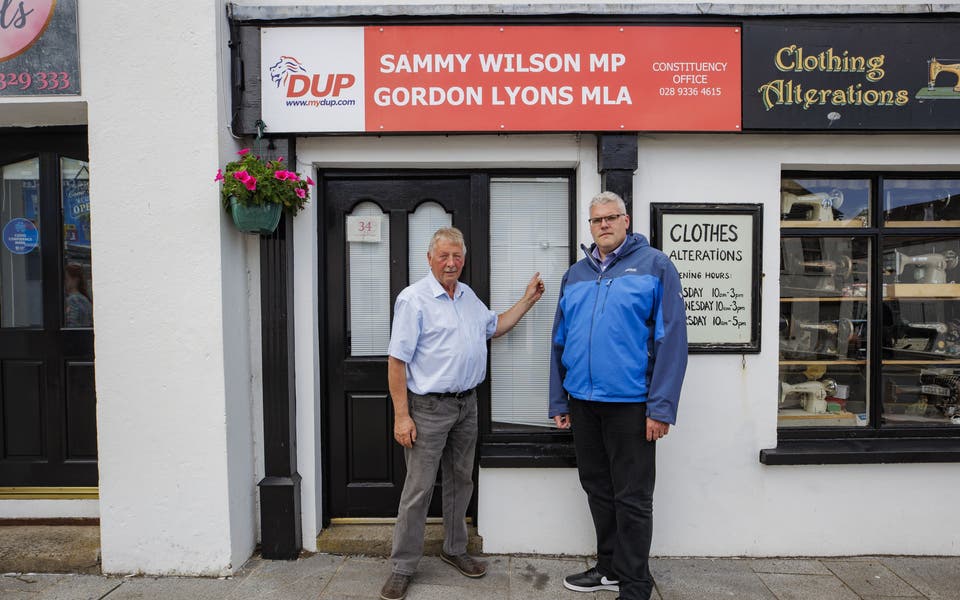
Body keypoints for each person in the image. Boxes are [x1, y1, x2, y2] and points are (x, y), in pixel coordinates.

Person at [380, 226, 545, 600]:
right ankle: (402, 567)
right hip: (428, 409)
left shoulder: (468, 297)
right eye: (444, 256)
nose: (451, 263)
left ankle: (455, 549)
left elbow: (495, 327)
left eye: (457, 256)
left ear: (463, 259)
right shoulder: (414, 300)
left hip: (466, 405)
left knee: (460, 481)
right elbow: (396, 362)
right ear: (430, 259)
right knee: (418, 489)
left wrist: (527, 301)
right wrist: (401, 416)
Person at [549, 191, 688, 600]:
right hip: (583, 403)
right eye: (596, 220)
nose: (604, 225)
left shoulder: (656, 266)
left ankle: (635, 584)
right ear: (589, 227)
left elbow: (672, 341)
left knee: (632, 497)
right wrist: (560, 400)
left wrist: (660, 407)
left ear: (626, 221)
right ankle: (608, 567)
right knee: (597, 487)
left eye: (611, 217)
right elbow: (559, 341)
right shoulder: (574, 275)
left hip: (632, 404)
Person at [64, 263, 93, 328]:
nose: (65, 282)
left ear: (75, 280)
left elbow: (72, 324)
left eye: (67, 279)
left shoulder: (73, 299)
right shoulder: (85, 299)